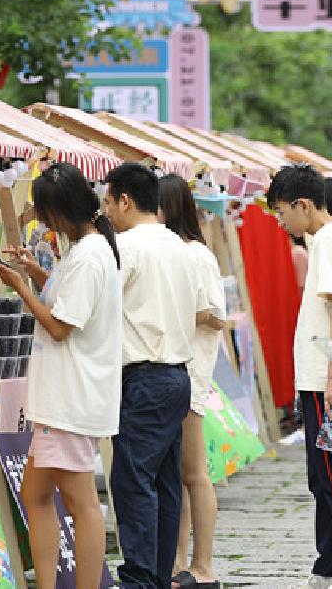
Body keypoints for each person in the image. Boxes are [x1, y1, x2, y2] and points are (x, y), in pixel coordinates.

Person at [0, 162, 122, 589]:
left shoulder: (88, 255)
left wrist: (22, 288)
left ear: (61, 210)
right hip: (63, 397)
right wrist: (35, 274)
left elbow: (61, 327)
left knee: (81, 503)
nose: (44, 222)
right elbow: (69, 305)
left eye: (46, 213)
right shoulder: (86, 251)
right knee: (36, 495)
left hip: (70, 397)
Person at [268, 164, 332, 589]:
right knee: (321, 473)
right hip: (322, 379)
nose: (280, 221)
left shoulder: (329, 242)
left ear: (303, 205)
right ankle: (329, 562)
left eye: (281, 211)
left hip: (327, 381)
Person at [102, 163, 200, 589]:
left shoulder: (126, 246)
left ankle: (140, 577)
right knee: (164, 481)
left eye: (108, 202)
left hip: (142, 376)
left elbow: (97, 303)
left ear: (125, 200)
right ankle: (157, 575)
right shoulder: (179, 245)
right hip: (177, 374)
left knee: (134, 480)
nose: (106, 211)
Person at [158, 174, 226, 589]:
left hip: (190, 371)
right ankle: (178, 561)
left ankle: (204, 566)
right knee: (176, 473)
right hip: (169, 369)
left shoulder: (196, 254)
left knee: (194, 472)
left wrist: (175, 310)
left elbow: (216, 315)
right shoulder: (165, 250)